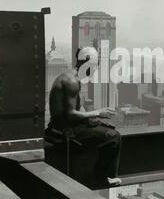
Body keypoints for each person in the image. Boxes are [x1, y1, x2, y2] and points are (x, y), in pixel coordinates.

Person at [47, 47, 122, 186]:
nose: (94, 70)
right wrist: (97, 112)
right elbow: (69, 114)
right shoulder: (72, 82)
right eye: (93, 66)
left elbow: (78, 107)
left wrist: (91, 120)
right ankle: (104, 177)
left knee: (105, 129)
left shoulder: (73, 77)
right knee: (113, 137)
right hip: (65, 129)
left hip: (67, 125)